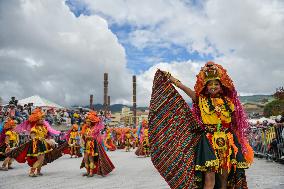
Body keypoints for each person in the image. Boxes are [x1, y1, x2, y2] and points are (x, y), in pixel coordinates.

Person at [149, 62, 254, 189]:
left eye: (216, 84)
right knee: (209, 179)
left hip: (227, 142)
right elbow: (185, 89)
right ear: (206, 86)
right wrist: (171, 79)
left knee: (224, 178)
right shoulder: (201, 100)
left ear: (221, 86)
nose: (213, 86)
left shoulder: (228, 102)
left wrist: (241, 143)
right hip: (208, 142)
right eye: (210, 84)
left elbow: (234, 124)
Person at [80, 111, 114, 177]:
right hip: (86, 145)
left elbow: (95, 137)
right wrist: (83, 137)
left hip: (92, 145)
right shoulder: (86, 129)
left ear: (92, 122)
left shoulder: (95, 129)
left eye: (88, 121)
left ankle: (91, 172)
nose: (87, 123)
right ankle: (87, 171)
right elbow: (83, 137)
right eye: (86, 121)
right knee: (85, 159)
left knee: (91, 159)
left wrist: (89, 137)